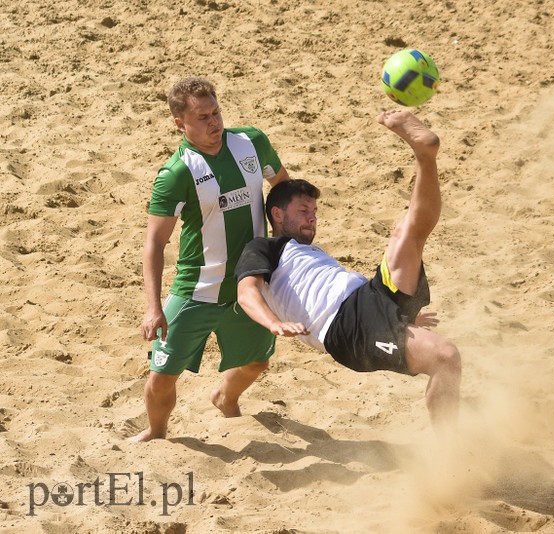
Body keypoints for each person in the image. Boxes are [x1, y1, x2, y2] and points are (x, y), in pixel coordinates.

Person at [235, 109, 461, 431]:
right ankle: (452, 455)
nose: (312, 218)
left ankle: (425, 156)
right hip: (344, 325)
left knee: (407, 234)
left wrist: (401, 316)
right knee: (446, 356)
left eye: (314, 211)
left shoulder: (310, 251)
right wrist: (274, 324)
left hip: (370, 296)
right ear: (277, 215)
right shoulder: (264, 248)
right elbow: (246, 293)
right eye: (303, 211)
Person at [131, 77, 289, 442]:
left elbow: (282, 190)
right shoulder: (177, 173)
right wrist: (153, 307)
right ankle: (156, 433)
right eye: (202, 117)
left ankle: (224, 396)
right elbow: (154, 243)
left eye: (216, 112)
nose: (214, 123)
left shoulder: (252, 143)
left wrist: (288, 246)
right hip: (196, 289)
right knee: (162, 376)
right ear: (180, 123)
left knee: (257, 361)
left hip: (248, 284)